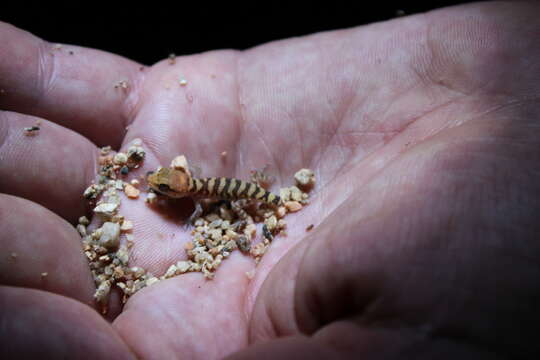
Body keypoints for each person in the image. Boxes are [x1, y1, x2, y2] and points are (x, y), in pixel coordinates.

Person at [1, 1, 539, 358]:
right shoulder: (198, 188)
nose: (158, 191)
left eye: (166, 188)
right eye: (162, 188)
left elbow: (206, 207)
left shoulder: (202, 197)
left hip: (252, 202)